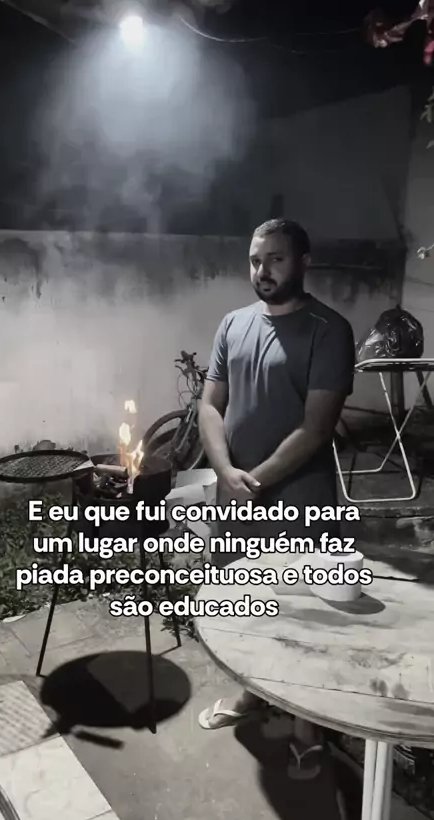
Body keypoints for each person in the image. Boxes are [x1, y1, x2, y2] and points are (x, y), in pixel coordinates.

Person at [197, 218, 355, 780]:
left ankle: (308, 729)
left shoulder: (328, 331)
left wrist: (253, 482)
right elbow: (210, 405)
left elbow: (317, 427)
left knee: (302, 614)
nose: (262, 271)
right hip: (235, 498)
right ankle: (252, 695)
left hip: (298, 501)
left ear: (303, 262)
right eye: (255, 260)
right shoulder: (233, 324)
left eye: (275, 259)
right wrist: (224, 472)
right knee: (244, 605)